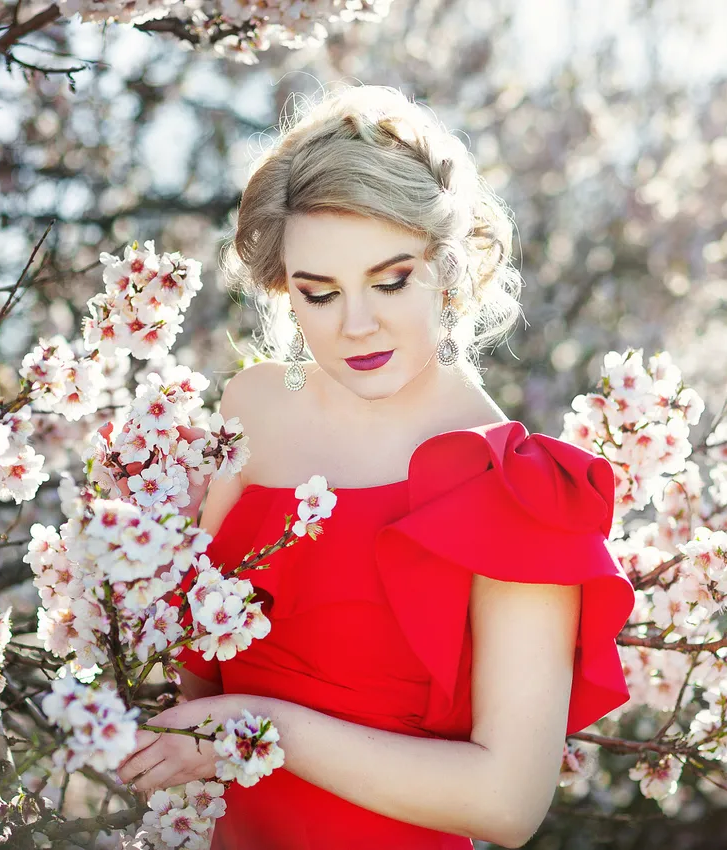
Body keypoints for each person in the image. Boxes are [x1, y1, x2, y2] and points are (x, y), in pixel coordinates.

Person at [115, 83, 635, 849]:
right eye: (318, 293)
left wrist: (262, 729)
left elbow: (507, 804)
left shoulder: (522, 489)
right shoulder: (253, 408)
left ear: (450, 267)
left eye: (390, 281)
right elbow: (187, 681)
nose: (357, 325)